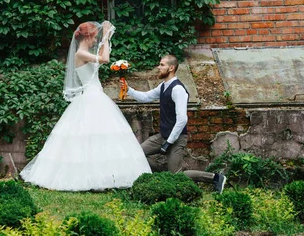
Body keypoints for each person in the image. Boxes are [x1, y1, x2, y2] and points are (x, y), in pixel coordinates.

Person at [20, 21, 151, 191]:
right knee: (89, 137)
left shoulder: (86, 53)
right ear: (88, 36)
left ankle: (106, 176)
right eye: (94, 37)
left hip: (96, 95)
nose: (95, 40)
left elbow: (102, 57)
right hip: (91, 97)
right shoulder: (81, 53)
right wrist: (106, 35)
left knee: (101, 138)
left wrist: (105, 37)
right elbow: (105, 59)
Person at [126, 54, 227, 193]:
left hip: (177, 138)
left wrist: (169, 142)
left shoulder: (178, 89)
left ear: (171, 68)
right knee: (136, 155)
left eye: (162, 65)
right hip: (163, 136)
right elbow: (146, 97)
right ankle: (165, 174)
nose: (158, 67)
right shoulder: (163, 86)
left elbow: (182, 119)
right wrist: (128, 89)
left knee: (176, 176)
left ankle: (215, 178)